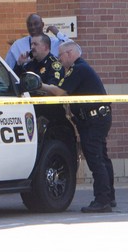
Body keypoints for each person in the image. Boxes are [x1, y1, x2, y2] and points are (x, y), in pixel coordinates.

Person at [41, 40, 115, 213]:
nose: (59, 59)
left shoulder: (78, 68)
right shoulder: (79, 68)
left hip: (94, 120)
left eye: (60, 55)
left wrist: (41, 86)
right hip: (95, 118)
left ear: (69, 53)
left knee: (96, 158)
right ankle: (109, 197)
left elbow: (62, 92)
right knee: (102, 158)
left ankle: (102, 200)